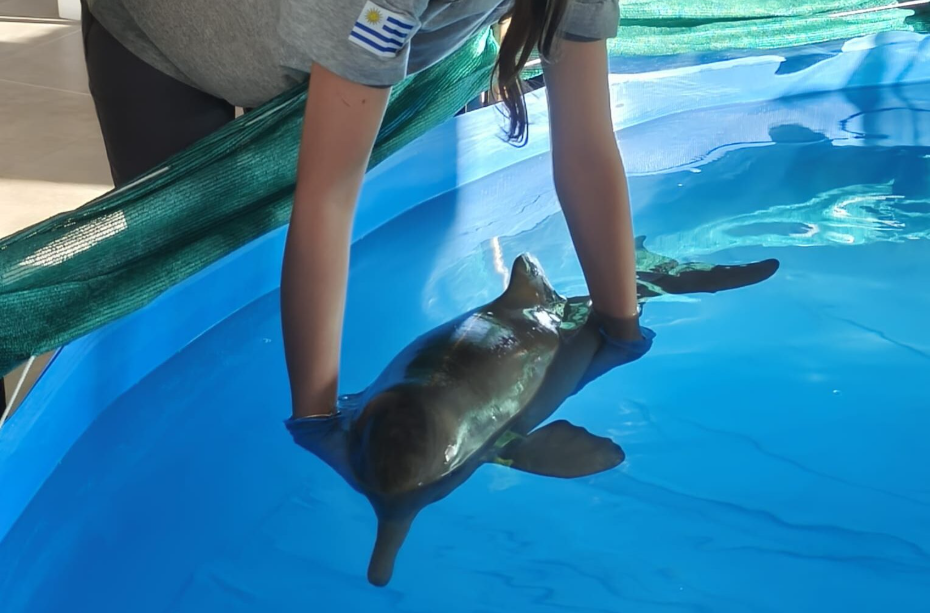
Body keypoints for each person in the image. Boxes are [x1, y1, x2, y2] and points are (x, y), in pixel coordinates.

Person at [80, 0, 648, 420]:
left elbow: (587, 149)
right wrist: (317, 421)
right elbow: (327, 203)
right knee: (186, 300)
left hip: (291, 32)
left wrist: (622, 331)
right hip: (160, 32)